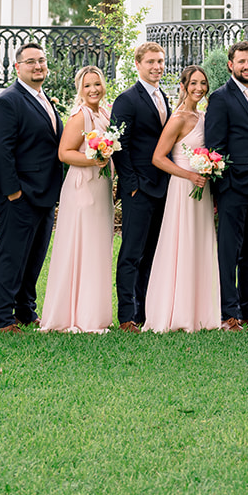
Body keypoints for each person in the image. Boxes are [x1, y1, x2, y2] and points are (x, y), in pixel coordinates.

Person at [0, 42, 65, 331]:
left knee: (34, 258)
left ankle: (25, 310)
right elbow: (1, 151)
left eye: (42, 61)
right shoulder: (8, 101)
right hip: (20, 194)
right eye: (31, 62)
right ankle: (3, 318)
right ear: (17, 67)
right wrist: (13, 192)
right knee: (12, 257)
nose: (38, 66)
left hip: (45, 193)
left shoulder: (44, 99)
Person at [144, 65, 221, 333]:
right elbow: (158, 157)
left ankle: (201, 311)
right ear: (184, 85)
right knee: (182, 243)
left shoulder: (203, 115)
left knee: (199, 244)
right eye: (194, 83)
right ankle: (178, 311)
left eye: (203, 83)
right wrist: (189, 176)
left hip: (202, 188)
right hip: (183, 188)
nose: (199, 88)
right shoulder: (177, 118)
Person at [40, 66, 115, 333]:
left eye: (97, 84)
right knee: (82, 246)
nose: (93, 90)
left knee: (97, 248)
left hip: (101, 186)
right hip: (83, 189)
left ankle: (94, 312)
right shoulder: (80, 116)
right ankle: (73, 314)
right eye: (87, 86)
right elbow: (64, 153)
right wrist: (93, 159)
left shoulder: (104, 112)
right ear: (79, 90)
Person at [203, 41, 248, 329]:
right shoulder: (220, 98)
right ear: (231, 65)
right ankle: (227, 312)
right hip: (233, 186)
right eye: (242, 61)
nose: (247, 66)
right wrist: (224, 186)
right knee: (229, 251)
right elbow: (215, 146)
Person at [110, 41, 171, 331]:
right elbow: (119, 145)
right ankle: (126, 316)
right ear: (138, 64)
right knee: (132, 253)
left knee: (152, 252)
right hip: (139, 189)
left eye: (160, 61)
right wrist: (131, 184)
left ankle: (145, 311)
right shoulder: (127, 100)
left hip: (162, 186)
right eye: (151, 62)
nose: (157, 66)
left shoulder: (164, 97)